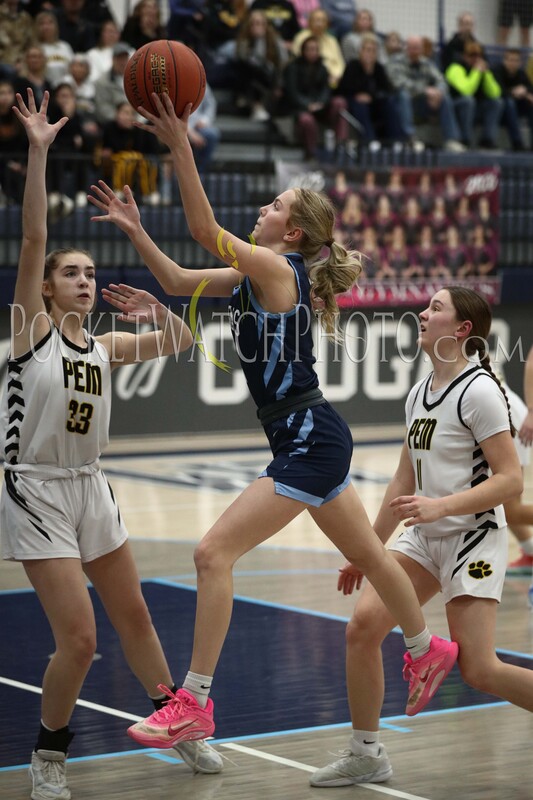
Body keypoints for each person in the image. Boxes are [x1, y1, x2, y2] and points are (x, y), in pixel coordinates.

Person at [87, 89, 459, 750]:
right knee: (370, 554)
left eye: (275, 205)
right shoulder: (252, 277)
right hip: (311, 433)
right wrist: (137, 230)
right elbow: (176, 279)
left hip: (308, 437)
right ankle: (428, 647)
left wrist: (179, 146)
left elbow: (203, 233)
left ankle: (195, 701)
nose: (264, 208)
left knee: (210, 554)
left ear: (292, 234)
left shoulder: (275, 269)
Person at [0, 89, 221, 800]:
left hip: (90, 485)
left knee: (135, 618)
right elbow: (33, 238)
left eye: (90, 275)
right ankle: (49, 756)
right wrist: (38, 151)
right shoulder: (30, 332)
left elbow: (182, 342)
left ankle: (174, 723)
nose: (85, 281)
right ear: (44, 288)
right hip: (33, 488)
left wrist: (163, 311)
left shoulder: (102, 346)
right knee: (82, 640)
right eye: (72, 274)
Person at [310, 286, 529, 788]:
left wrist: (441, 506)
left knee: (479, 668)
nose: (421, 313)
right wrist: (367, 549)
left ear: (462, 330)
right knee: (361, 629)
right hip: (424, 540)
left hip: (472, 536)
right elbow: (402, 482)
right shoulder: (419, 390)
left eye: (435, 308)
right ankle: (366, 753)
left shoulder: (480, 391)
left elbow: (511, 481)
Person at [385, 35, 466, 153]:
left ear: (422, 49)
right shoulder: (395, 61)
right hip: (401, 104)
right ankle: (410, 138)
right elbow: (398, 83)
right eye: (412, 48)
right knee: (404, 95)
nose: (415, 51)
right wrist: (425, 91)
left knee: (445, 98)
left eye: (418, 48)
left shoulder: (427, 63)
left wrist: (438, 92)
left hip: (422, 103)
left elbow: (441, 80)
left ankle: (451, 140)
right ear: (406, 48)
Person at [444, 40, 504, 150]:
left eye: (479, 55)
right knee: (468, 100)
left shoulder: (483, 70)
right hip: (455, 108)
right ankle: (465, 139)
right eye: (471, 55)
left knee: (496, 102)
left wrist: (486, 74)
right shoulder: (455, 68)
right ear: (464, 55)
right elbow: (466, 91)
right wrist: (476, 72)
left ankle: (487, 140)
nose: (476, 59)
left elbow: (495, 93)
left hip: (475, 109)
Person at [506, 345, 533, 574]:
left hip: (507, 417)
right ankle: (531, 551)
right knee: (506, 507)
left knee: (509, 509)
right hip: (501, 413)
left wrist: (532, 411)